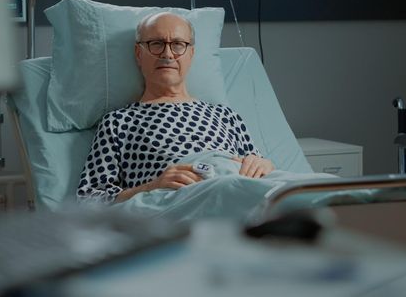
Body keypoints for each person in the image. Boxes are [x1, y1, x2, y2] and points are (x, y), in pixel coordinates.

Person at [77, 12, 274, 204]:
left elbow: (259, 165)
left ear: (191, 54)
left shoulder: (225, 115)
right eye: (156, 44)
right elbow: (89, 199)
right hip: (185, 199)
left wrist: (265, 165)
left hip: (246, 189)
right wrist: (152, 186)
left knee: (298, 191)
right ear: (139, 54)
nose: (168, 54)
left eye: (178, 45)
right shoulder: (118, 122)